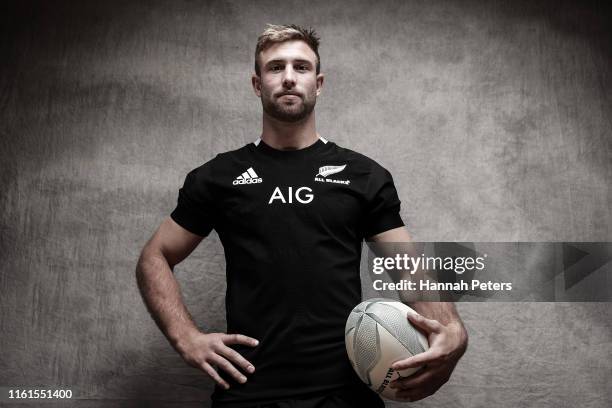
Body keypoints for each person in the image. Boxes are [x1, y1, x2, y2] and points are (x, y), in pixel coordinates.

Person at [136, 24, 468, 408]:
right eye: (275, 68)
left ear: (319, 82)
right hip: (250, 394)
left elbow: (408, 269)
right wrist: (186, 337)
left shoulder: (363, 175)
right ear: (257, 84)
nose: (289, 78)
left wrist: (453, 330)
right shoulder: (217, 177)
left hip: (345, 395)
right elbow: (154, 257)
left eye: (301, 67)